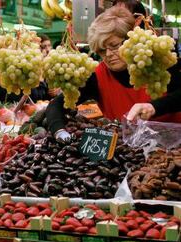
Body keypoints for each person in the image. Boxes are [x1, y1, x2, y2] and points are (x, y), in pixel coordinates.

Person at [45, 6, 181, 141]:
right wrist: (60, 132)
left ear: (130, 41)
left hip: (172, 148)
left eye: (114, 46)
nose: (109, 54)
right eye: (102, 50)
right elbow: (56, 104)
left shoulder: (158, 62)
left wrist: (154, 107)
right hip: (130, 154)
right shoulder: (98, 76)